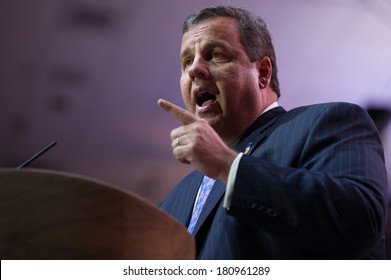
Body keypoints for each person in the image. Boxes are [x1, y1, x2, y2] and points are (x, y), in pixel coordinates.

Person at [157, 6, 388, 259]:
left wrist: (228, 166)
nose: (194, 69)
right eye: (187, 61)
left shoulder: (327, 122)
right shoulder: (173, 201)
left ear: (263, 73)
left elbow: (361, 223)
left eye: (215, 55)